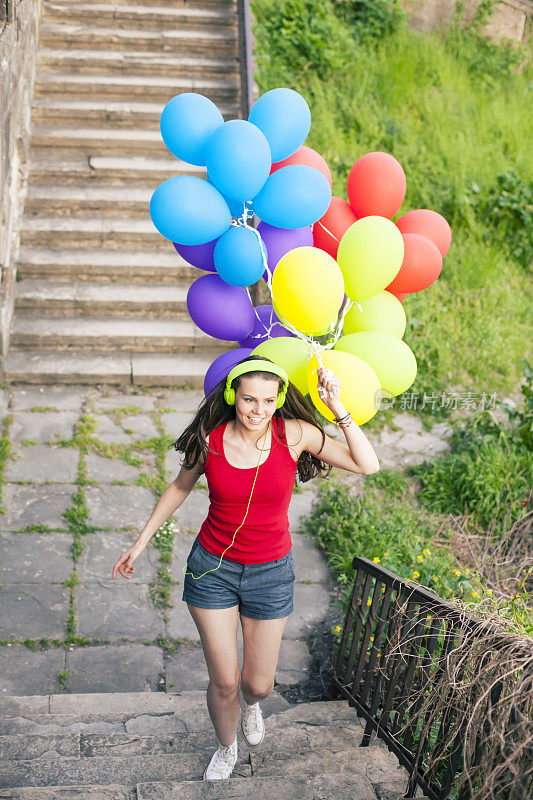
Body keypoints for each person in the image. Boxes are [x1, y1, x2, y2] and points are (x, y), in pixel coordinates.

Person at [112, 354, 379, 780]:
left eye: (268, 400)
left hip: (270, 572)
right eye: (249, 399)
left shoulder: (295, 435)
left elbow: (369, 464)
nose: (258, 410)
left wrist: (338, 408)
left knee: (258, 685)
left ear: (280, 400)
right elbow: (180, 485)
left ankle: (253, 707)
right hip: (211, 571)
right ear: (234, 396)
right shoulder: (210, 440)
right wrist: (140, 543)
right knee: (223, 680)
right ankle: (226, 746)